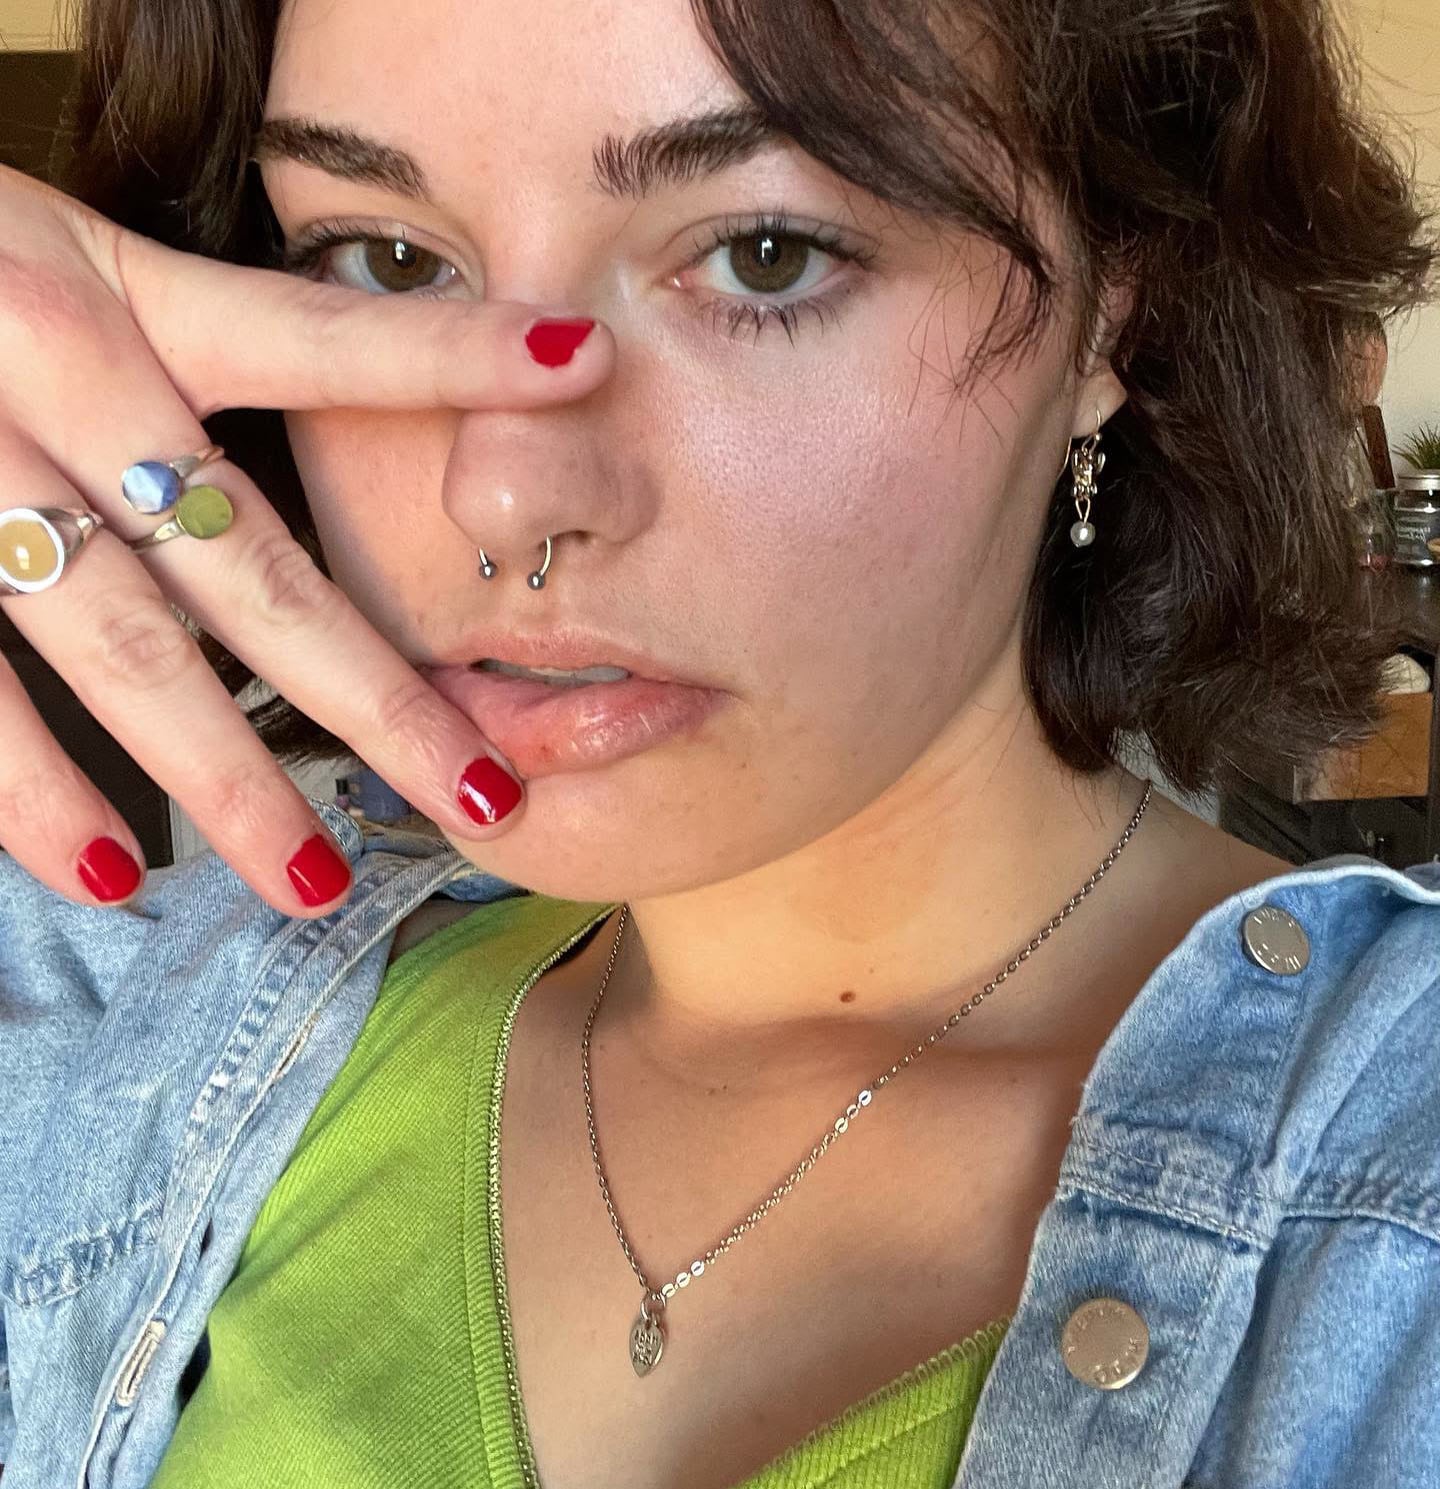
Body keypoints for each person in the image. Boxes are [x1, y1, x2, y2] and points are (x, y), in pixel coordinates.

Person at [1, 0, 1437, 1485]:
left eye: (763, 256)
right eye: (387, 260)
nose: (507, 492)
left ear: (1111, 312)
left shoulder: (1399, 1210)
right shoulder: (140, 1035)